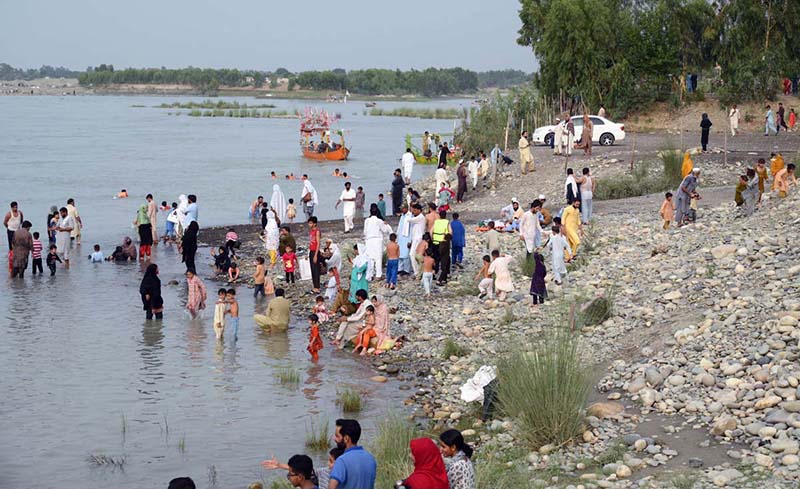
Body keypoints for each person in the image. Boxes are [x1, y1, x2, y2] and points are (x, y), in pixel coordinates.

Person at [328, 419, 377, 489]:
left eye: (337, 436)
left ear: (346, 438)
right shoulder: (371, 459)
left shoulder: (342, 461)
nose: (334, 439)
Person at [363, 207, 391, 280]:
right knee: (378, 258)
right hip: (377, 240)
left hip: (369, 240)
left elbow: (365, 231)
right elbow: (384, 230)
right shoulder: (379, 221)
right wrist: (386, 225)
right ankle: (378, 275)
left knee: (370, 258)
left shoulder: (367, 220)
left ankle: (371, 274)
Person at [308, 216, 322, 293]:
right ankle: (315, 286)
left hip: (315, 252)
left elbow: (318, 244)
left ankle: (317, 287)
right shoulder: (311, 231)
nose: (309, 225)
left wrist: (316, 255)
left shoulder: (317, 231)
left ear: (314, 224)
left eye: (310, 223)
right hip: (311, 251)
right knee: (312, 269)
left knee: (316, 269)